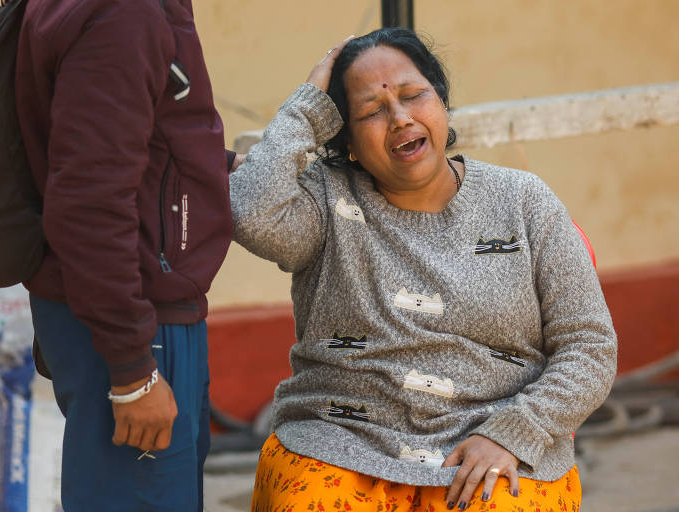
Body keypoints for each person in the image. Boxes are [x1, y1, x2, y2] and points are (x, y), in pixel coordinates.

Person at [230, 28, 617, 511]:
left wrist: (516, 433)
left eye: (415, 96)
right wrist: (307, 106)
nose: (400, 117)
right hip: (343, 439)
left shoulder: (523, 201)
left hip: (490, 438)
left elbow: (589, 345)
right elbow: (248, 212)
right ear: (346, 139)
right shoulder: (325, 203)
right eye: (372, 111)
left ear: (442, 104)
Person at [14, 0, 239, 510]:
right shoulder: (124, 12)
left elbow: (138, 136)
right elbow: (89, 199)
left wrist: (221, 166)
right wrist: (133, 370)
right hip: (134, 313)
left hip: (131, 306)